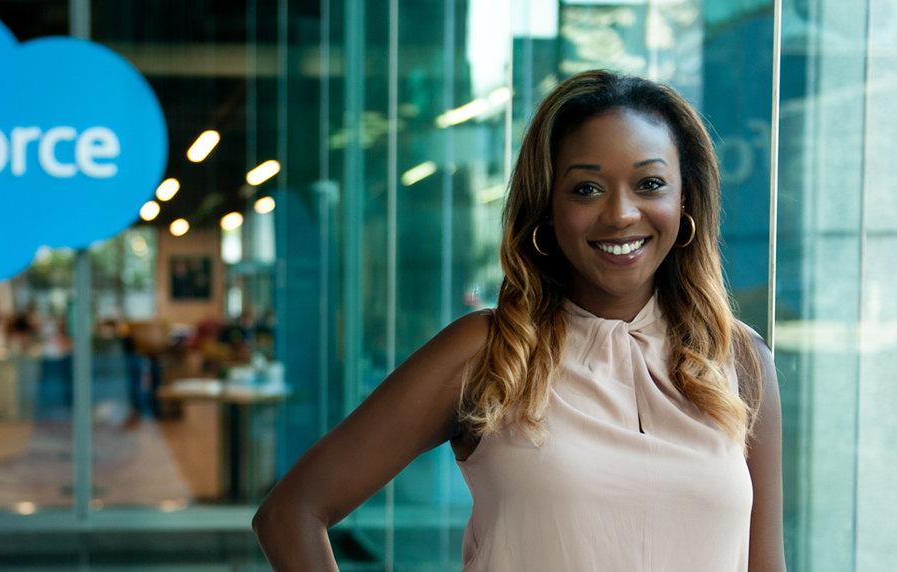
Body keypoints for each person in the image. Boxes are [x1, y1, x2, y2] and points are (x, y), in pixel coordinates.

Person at [253, 71, 785, 571]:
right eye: (586, 188)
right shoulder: (487, 351)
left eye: (649, 184)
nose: (621, 213)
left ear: (685, 198)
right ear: (548, 208)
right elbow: (291, 514)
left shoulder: (741, 362)